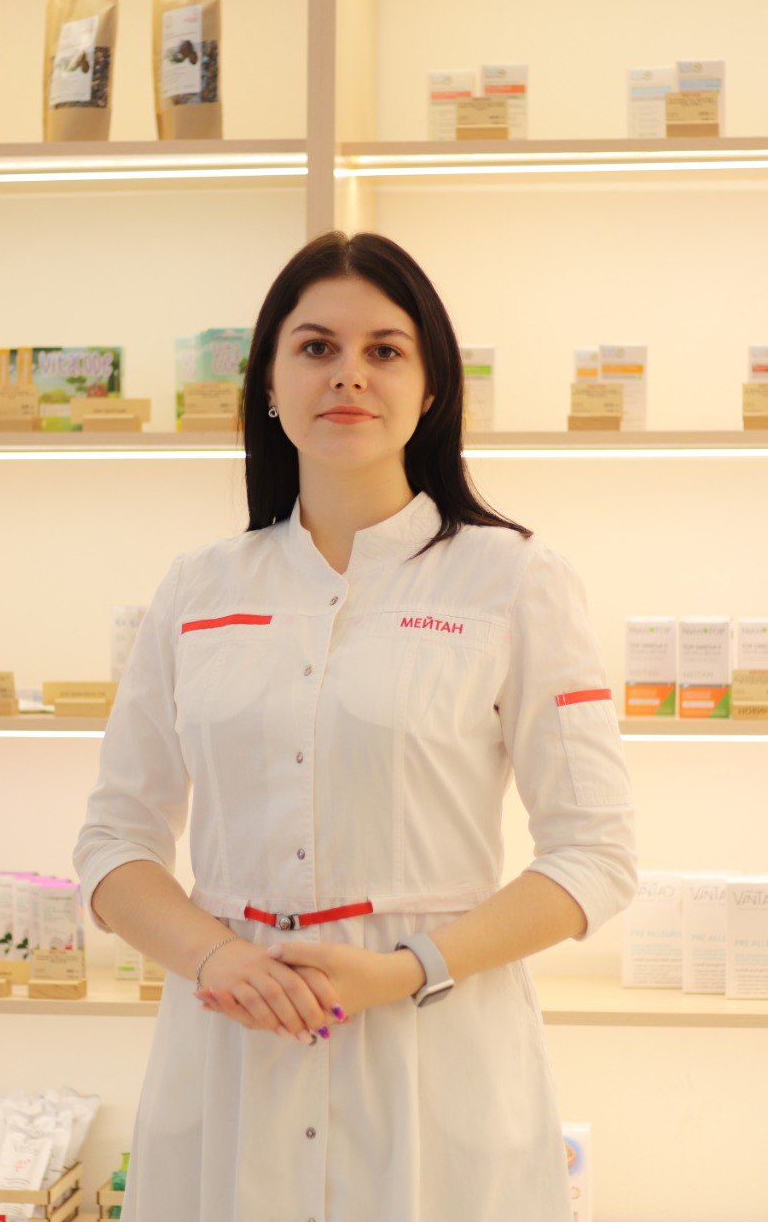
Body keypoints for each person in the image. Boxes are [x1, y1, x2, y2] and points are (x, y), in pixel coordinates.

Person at [73, 230, 638, 1222]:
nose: (348, 374)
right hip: (231, 1039)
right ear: (269, 382)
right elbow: (114, 842)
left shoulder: (513, 579)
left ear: (430, 388)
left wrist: (402, 970)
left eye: (384, 349)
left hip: (433, 1042)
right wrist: (215, 955)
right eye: (315, 347)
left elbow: (595, 854)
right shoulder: (198, 588)